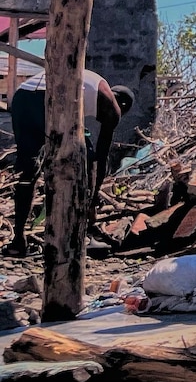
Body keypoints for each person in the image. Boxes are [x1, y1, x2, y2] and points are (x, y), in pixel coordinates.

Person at [6, 68, 134, 257]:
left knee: (27, 170)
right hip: (51, 98)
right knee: (87, 158)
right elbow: (101, 158)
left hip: (23, 96)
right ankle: (78, 235)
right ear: (121, 104)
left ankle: (18, 240)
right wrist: (93, 200)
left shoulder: (92, 85)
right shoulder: (112, 107)